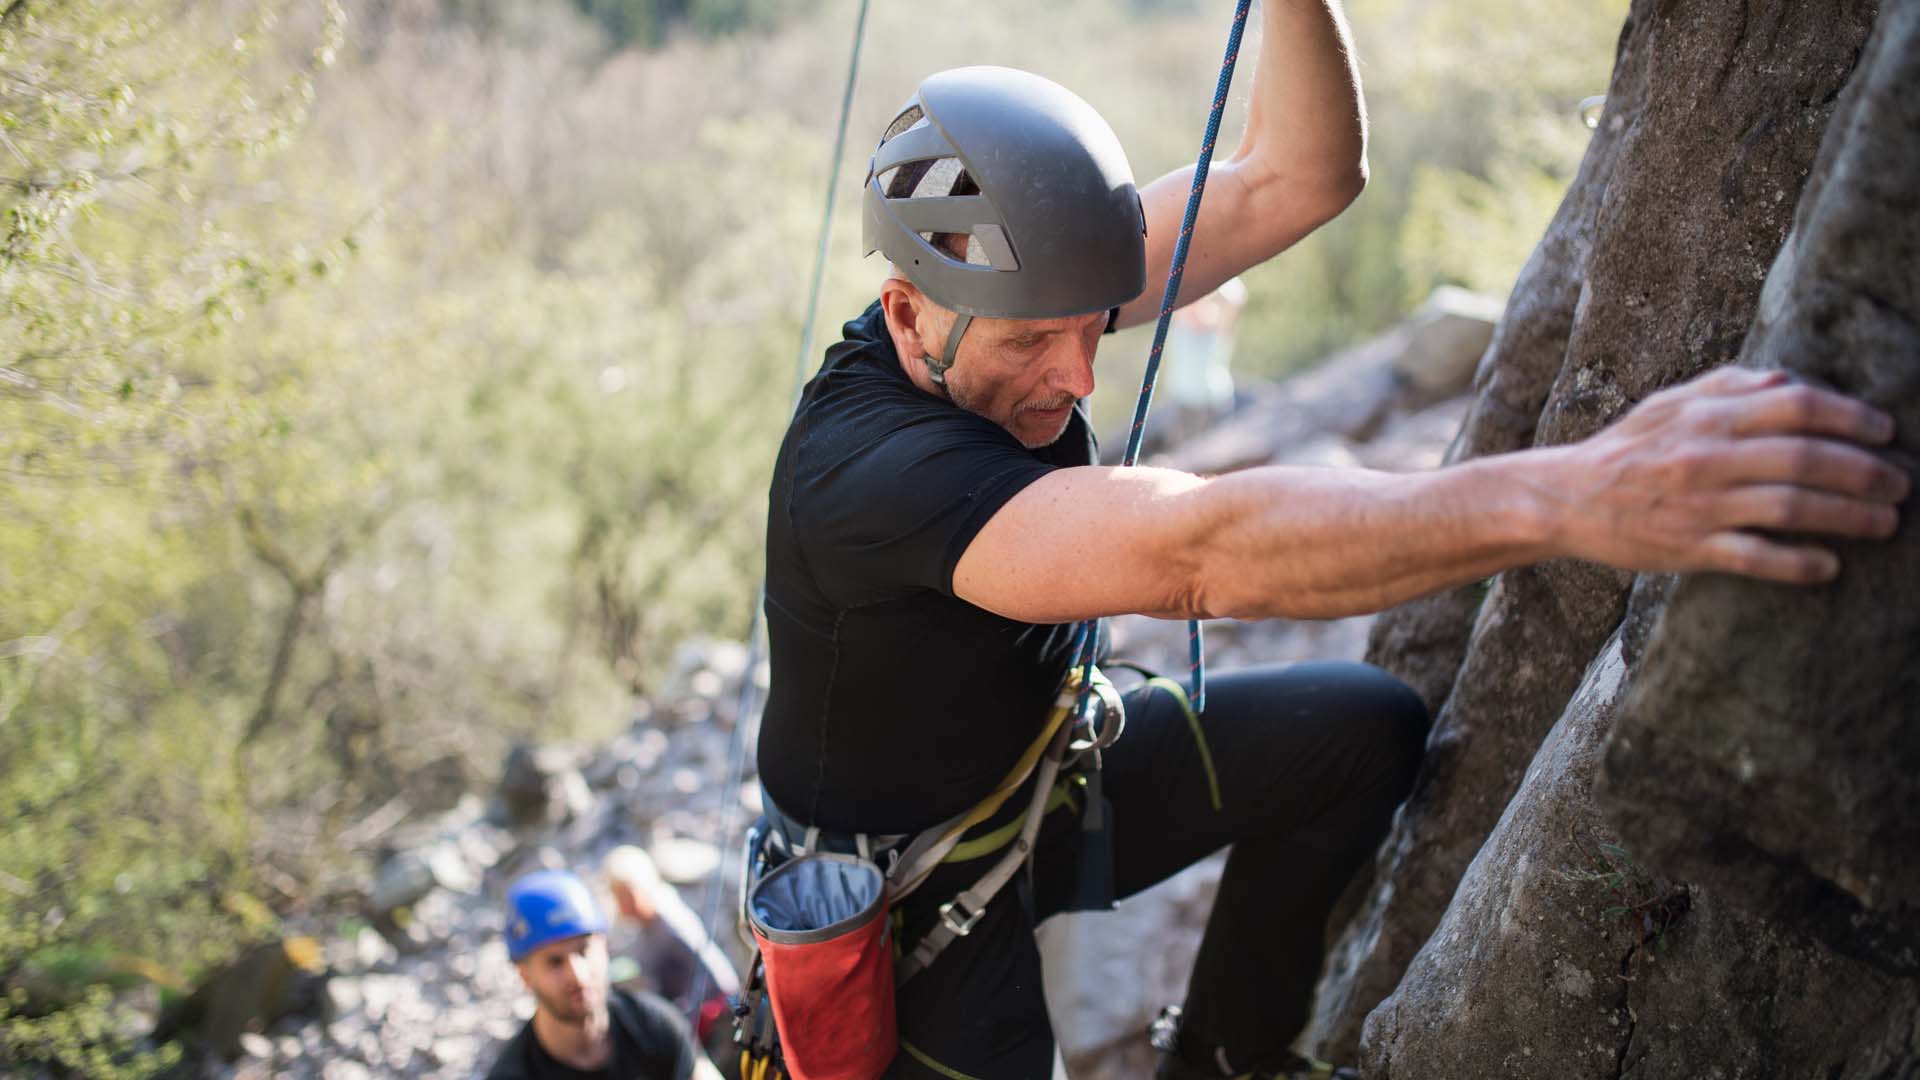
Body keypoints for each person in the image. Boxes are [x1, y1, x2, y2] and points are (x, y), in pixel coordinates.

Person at [754, 6, 1907, 1079]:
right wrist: (1574, 494)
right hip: (919, 898)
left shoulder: (1015, 294)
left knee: (1361, 734)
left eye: (1088, 323)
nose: (1078, 372)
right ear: (909, 311)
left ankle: (1220, 1060)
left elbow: (1291, 179)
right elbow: (1197, 551)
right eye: (1031, 347)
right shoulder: (865, 476)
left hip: (1045, 775)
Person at [487, 869, 722, 1080]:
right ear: (525, 976)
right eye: (555, 962)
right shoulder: (514, 1073)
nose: (577, 975)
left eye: (584, 950)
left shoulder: (655, 1026)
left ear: (605, 947)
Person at [603, 846, 741, 1063]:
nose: (624, 904)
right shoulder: (646, 928)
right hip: (691, 1018)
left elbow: (713, 969)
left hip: (717, 1016)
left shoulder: (670, 922)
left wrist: (689, 1017)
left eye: (627, 895)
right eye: (619, 897)